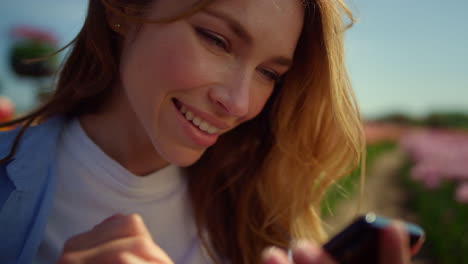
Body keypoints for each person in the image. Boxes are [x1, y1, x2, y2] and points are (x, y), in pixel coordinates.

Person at [0, 0, 421, 263]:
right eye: (216, 40)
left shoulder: (255, 222)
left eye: (268, 73)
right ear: (122, 9)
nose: (240, 103)